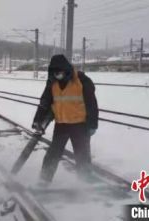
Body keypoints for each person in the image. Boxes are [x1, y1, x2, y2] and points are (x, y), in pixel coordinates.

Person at [32, 54, 98, 185]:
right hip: (61, 125)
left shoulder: (82, 80)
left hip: (80, 125)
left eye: (60, 72)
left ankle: (86, 183)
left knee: (82, 156)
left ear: (66, 70)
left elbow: (91, 104)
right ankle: (44, 181)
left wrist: (92, 124)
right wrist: (38, 121)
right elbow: (45, 102)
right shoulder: (52, 82)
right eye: (55, 73)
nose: (58, 76)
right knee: (52, 154)